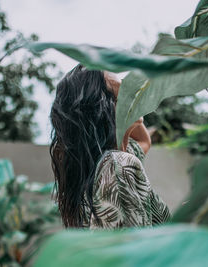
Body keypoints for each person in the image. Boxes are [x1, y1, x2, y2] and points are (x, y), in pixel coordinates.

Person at [49, 64, 170, 229]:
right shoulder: (119, 164)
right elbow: (133, 249)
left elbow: (144, 141)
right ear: (97, 106)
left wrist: (126, 114)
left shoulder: (106, 160)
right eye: (119, 89)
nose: (130, 93)